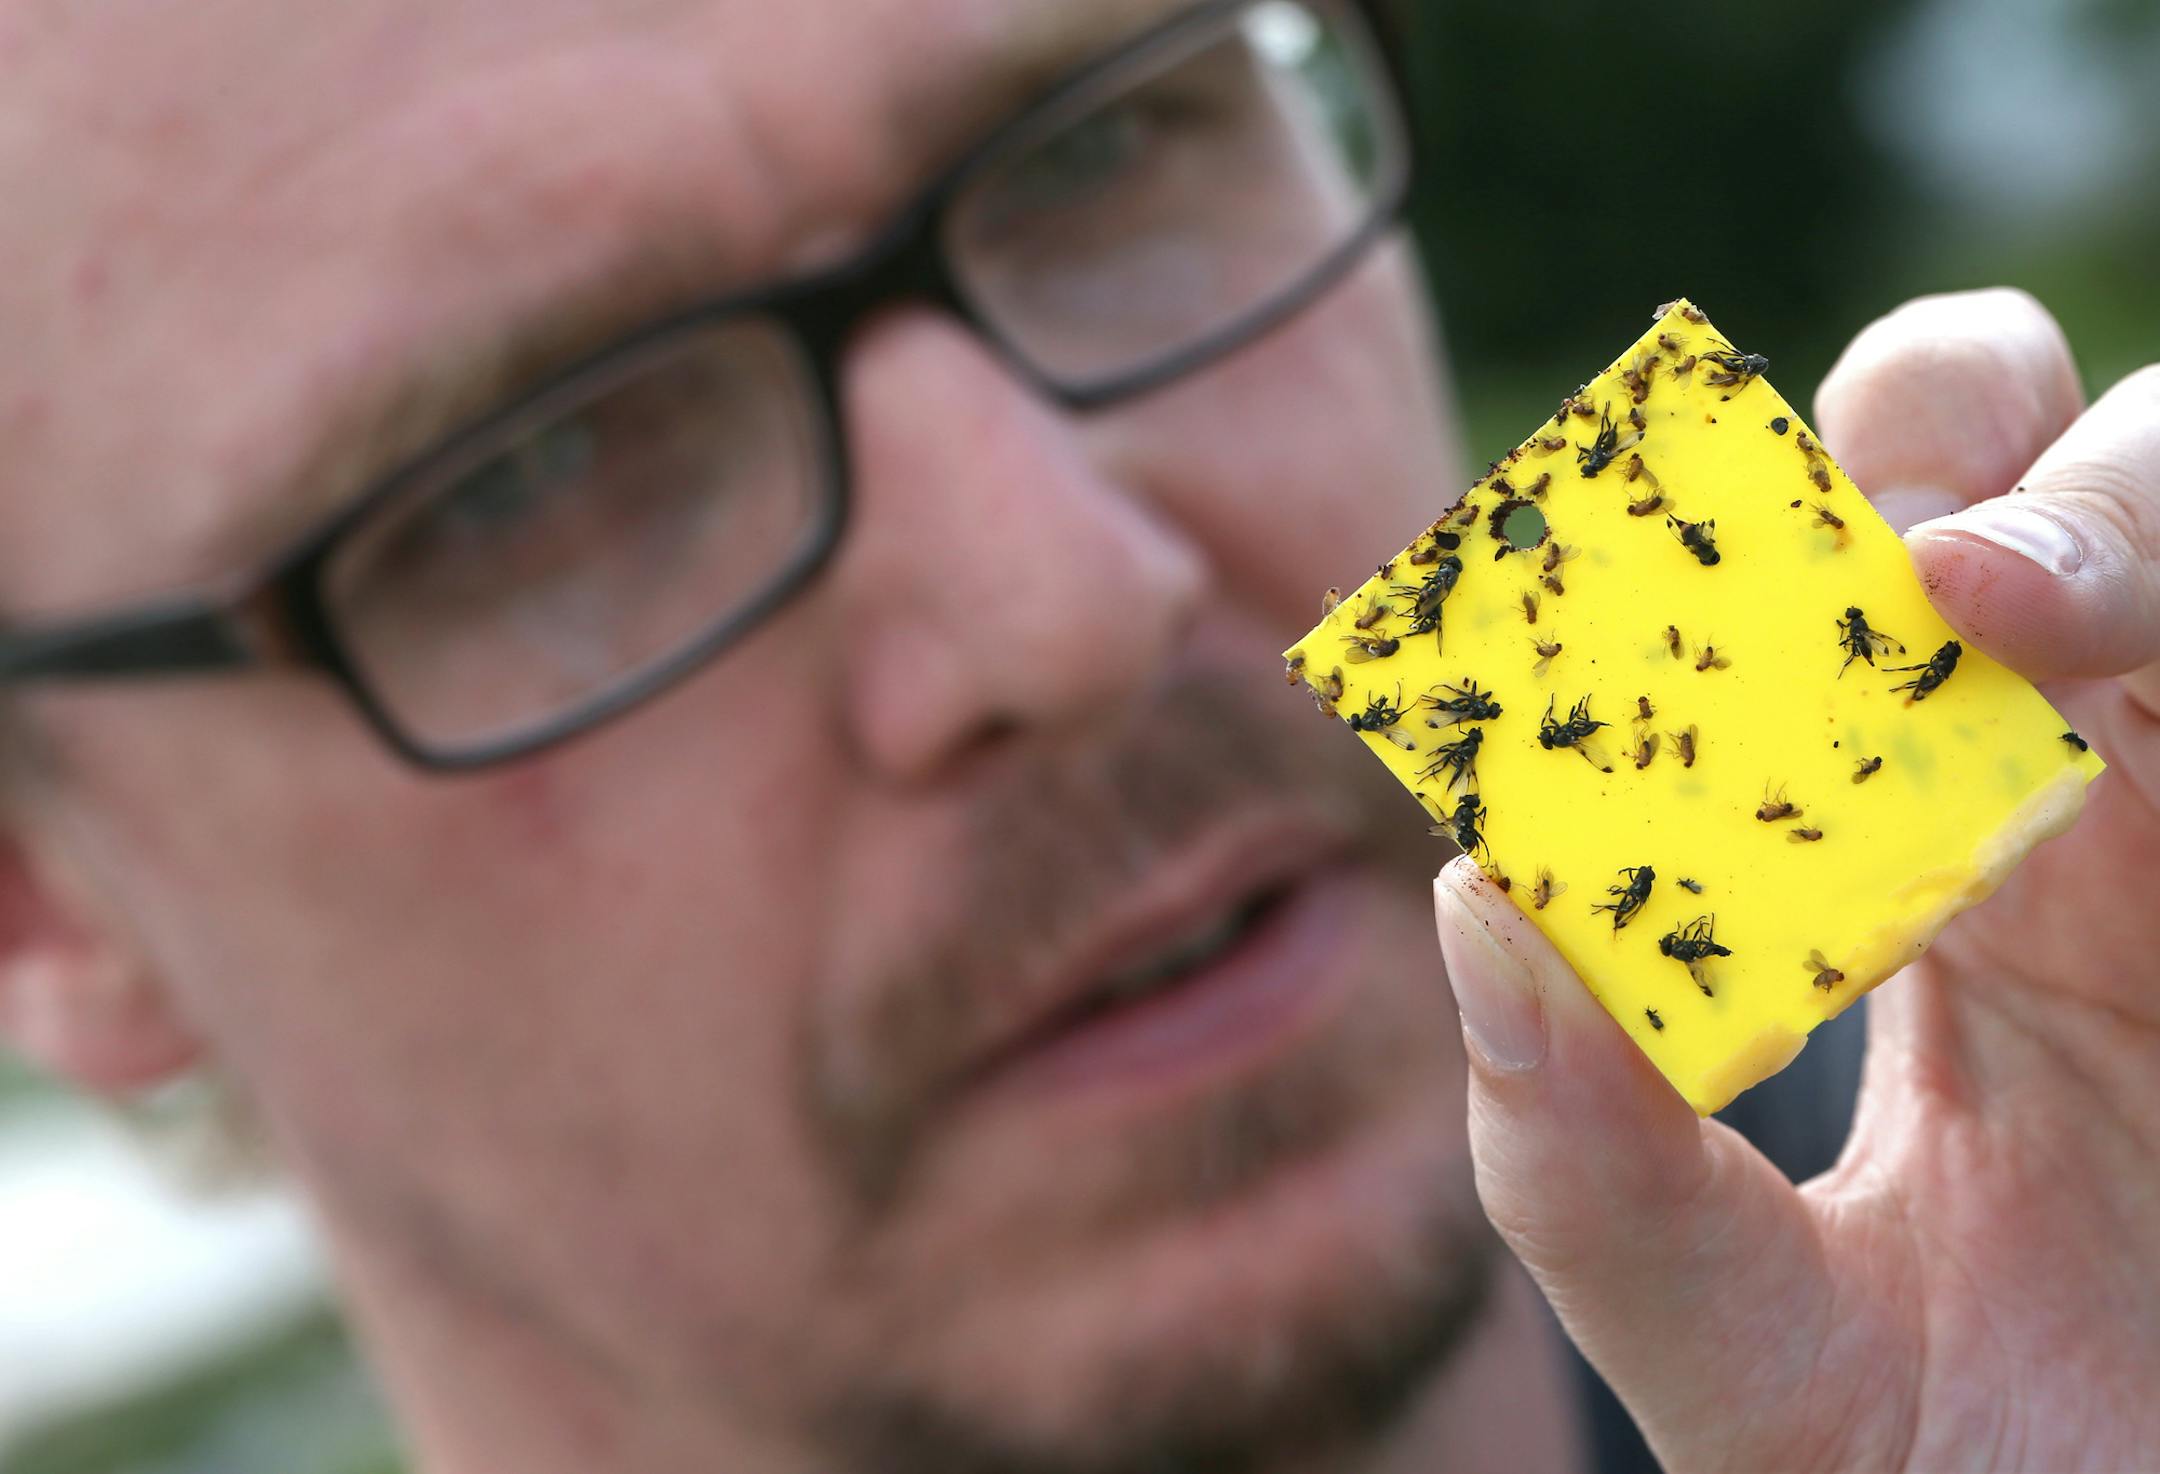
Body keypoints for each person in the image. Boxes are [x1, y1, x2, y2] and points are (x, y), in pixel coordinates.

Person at [1, 1, 2154, 1471]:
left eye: (1106, 139)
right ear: (43, 900)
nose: (1071, 600)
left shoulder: (2087, 1194)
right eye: (522, 472)